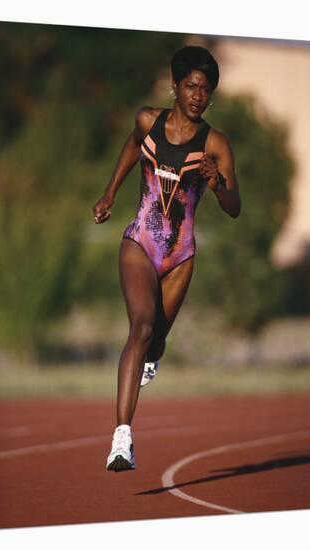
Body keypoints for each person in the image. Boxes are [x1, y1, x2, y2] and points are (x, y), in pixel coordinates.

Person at [92, 45, 241, 472]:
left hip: (180, 256)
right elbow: (131, 147)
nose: (198, 95)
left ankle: (154, 352)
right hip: (140, 241)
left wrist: (217, 184)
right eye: (191, 86)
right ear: (175, 85)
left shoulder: (216, 143)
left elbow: (234, 207)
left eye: (206, 90)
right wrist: (109, 193)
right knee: (139, 326)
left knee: (155, 339)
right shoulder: (147, 120)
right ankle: (122, 438)